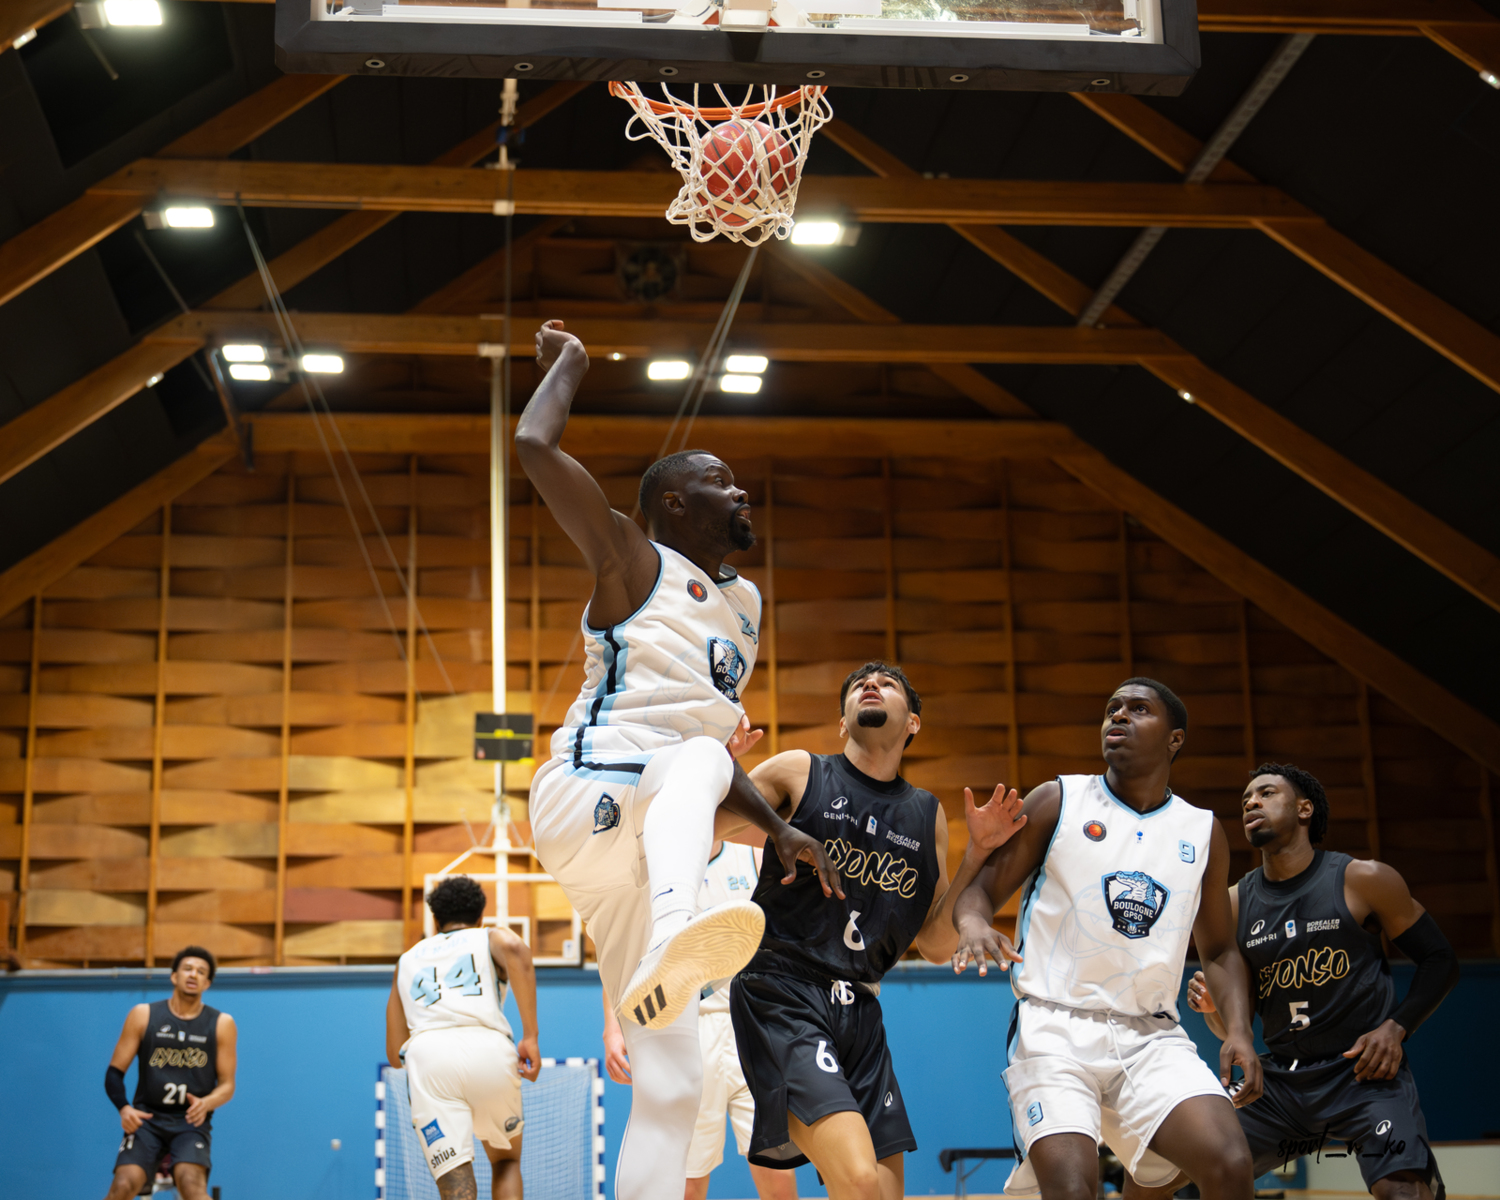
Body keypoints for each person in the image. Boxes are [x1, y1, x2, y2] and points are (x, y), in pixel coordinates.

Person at [516, 319, 840, 1200]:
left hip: (635, 850)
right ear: (672, 504)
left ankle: (667, 941)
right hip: (589, 791)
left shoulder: (747, 606)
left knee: (671, 1088)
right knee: (697, 753)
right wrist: (572, 365)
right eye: (720, 481)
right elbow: (534, 446)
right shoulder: (633, 556)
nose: (742, 491)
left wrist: (778, 831)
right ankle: (674, 933)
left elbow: (711, 757)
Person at [726, 661, 1027, 1200]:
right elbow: (708, 822)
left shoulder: (927, 815)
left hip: (862, 1008)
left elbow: (934, 945)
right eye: (860, 685)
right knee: (861, 1181)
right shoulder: (799, 771)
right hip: (784, 990)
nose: (872, 685)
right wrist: (721, 768)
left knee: (884, 1195)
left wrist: (978, 854)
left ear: (912, 723)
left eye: (888, 684)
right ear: (842, 722)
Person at [952, 677, 1262, 1200]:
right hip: (1053, 1028)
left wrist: (1239, 1032)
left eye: (1138, 709)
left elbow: (1219, 949)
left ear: (1175, 739)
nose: (1118, 716)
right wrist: (975, 925)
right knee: (1075, 1190)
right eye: (1112, 708)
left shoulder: (1202, 831)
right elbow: (978, 893)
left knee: (1230, 1163)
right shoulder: (1059, 800)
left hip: (1150, 1035)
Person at [1123, 763, 1458, 1200]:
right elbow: (1232, 1031)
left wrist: (1396, 1027)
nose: (1251, 803)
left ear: (1304, 809)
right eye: (1246, 800)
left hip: (1362, 1075)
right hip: (1280, 1083)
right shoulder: (1235, 904)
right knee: (1152, 1177)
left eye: (1265, 793)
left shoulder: (1363, 879)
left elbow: (1440, 961)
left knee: (1402, 1191)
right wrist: (1215, 1010)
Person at [603, 837, 801, 1200]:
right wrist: (612, 1028)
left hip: (755, 1028)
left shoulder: (756, 859)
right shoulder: (657, 871)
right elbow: (622, 952)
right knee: (690, 1182)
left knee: (778, 1175)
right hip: (688, 1033)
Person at [385, 875, 541, 1200]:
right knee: (506, 1161)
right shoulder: (487, 937)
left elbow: (394, 1053)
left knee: (455, 1183)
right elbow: (515, 947)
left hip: (429, 1059)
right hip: (489, 1051)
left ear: (434, 920)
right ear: (481, 916)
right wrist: (530, 1036)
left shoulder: (407, 960)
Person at [102, 946, 237, 1200]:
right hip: (147, 1120)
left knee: (191, 1185)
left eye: (201, 972)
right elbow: (114, 1073)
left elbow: (228, 1085)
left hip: (190, 1122)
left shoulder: (222, 1024)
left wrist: (207, 1102)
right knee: (123, 1185)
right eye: (188, 969)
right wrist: (124, 1108)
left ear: (207, 983)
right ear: (174, 976)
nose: (193, 974)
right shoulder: (143, 1015)